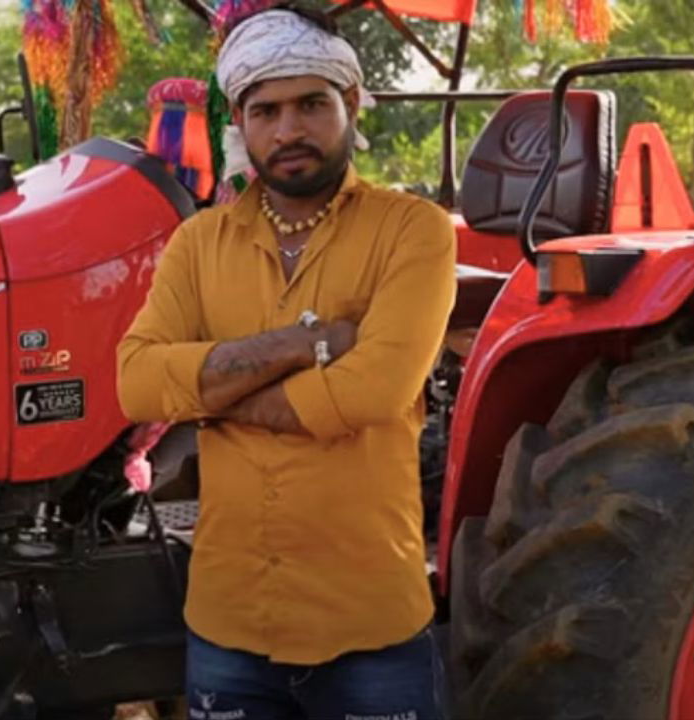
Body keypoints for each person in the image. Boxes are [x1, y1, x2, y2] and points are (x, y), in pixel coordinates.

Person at [115, 4, 457, 718]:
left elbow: (372, 393)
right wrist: (307, 344)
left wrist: (206, 392)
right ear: (240, 123)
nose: (289, 129)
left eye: (311, 104)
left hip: (370, 625)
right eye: (265, 110)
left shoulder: (412, 231)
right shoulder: (198, 243)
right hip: (232, 625)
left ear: (350, 103)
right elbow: (138, 382)